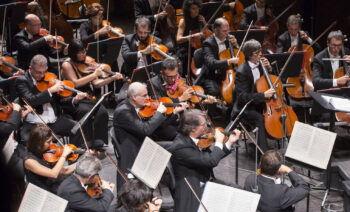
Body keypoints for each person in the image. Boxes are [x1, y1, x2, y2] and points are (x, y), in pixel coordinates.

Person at [113, 82, 186, 189]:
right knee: (176, 148)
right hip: (136, 150)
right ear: (134, 97)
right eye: (144, 96)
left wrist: (173, 112)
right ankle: (177, 185)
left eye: (148, 95)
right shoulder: (124, 111)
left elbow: (154, 128)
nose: (147, 98)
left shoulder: (135, 107)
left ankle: (180, 183)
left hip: (143, 142)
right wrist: (158, 113)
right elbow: (146, 129)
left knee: (178, 145)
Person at [169, 109, 241, 212]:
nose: (206, 127)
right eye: (203, 125)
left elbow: (209, 158)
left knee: (238, 191)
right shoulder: (181, 147)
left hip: (202, 179)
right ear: (193, 129)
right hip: (191, 188)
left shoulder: (189, 139)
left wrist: (229, 142)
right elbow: (211, 161)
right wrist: (219, 142)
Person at [61, 39, 123, 147]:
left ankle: (99, 141)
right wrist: (94, 74)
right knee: (85, 111)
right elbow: (75, 83)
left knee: (102, 112)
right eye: (80, 53)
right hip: (73, 98)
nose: (84, 55)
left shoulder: (87, 63)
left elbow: (97, 84)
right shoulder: (67, 65)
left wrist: (112, 78)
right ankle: (84, 142)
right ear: (73, 53)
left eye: (84, 52)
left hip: (87, 96)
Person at [16, 54, 86, 146]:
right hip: (35, 124)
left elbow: (60, 101)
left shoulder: (50, 77)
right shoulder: (22, 81)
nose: (42, 75)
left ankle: (75, 155)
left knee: (77, 127)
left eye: (44, 71)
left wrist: (74, 100)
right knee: (34, 143)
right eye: (38, 72)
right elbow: (30, 100)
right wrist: (50, 90)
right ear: (30, 68)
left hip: (54, 121)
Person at [232, 39, 275, 153]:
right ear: (250, 55)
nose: (260, 54)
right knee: (260, 118)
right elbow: (242, 97)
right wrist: (263, 95)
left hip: (259, 102)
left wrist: (269, 69)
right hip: (246, 107)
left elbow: (270, 82)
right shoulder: (242, 71)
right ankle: (264, 153)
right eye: (257, 53)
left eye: (260, 51)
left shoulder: (261, 64)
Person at [244, 150, 309, 212]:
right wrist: (289, 170)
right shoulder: (281, 192)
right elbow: (304, 188)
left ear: (260, 164)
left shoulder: (250, 179)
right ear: (279, 170)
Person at [23, 124, 76, 194]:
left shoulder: (47, 153)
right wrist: (64, 155)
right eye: (48, 142)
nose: (52, 144)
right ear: (39, 143)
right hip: (42, 191)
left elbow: (65, 170)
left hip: (52, 184)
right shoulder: (29, 161)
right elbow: (53, 174)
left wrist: (82, 162)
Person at [199, 17, 239, 97]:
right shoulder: (208, 43)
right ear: (216, 30)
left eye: (228, 30)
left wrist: (236, 45)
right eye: (224, 31)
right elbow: (211, 63)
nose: (227, 33)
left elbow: (239, 56)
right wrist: (229, 61)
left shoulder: (229, 40)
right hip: (211, 75)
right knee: (215, 91)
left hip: (227, 73)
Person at [176, 0, 207, 76]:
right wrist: (192, 36)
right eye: (193, 9)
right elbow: (178, 39)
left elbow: (206, 33)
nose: (196, 11)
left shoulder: (200, 18)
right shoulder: (183, 21)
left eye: (197, 8)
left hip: (198, 47)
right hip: (187, 49)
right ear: (188, 10)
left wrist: (204, 23)